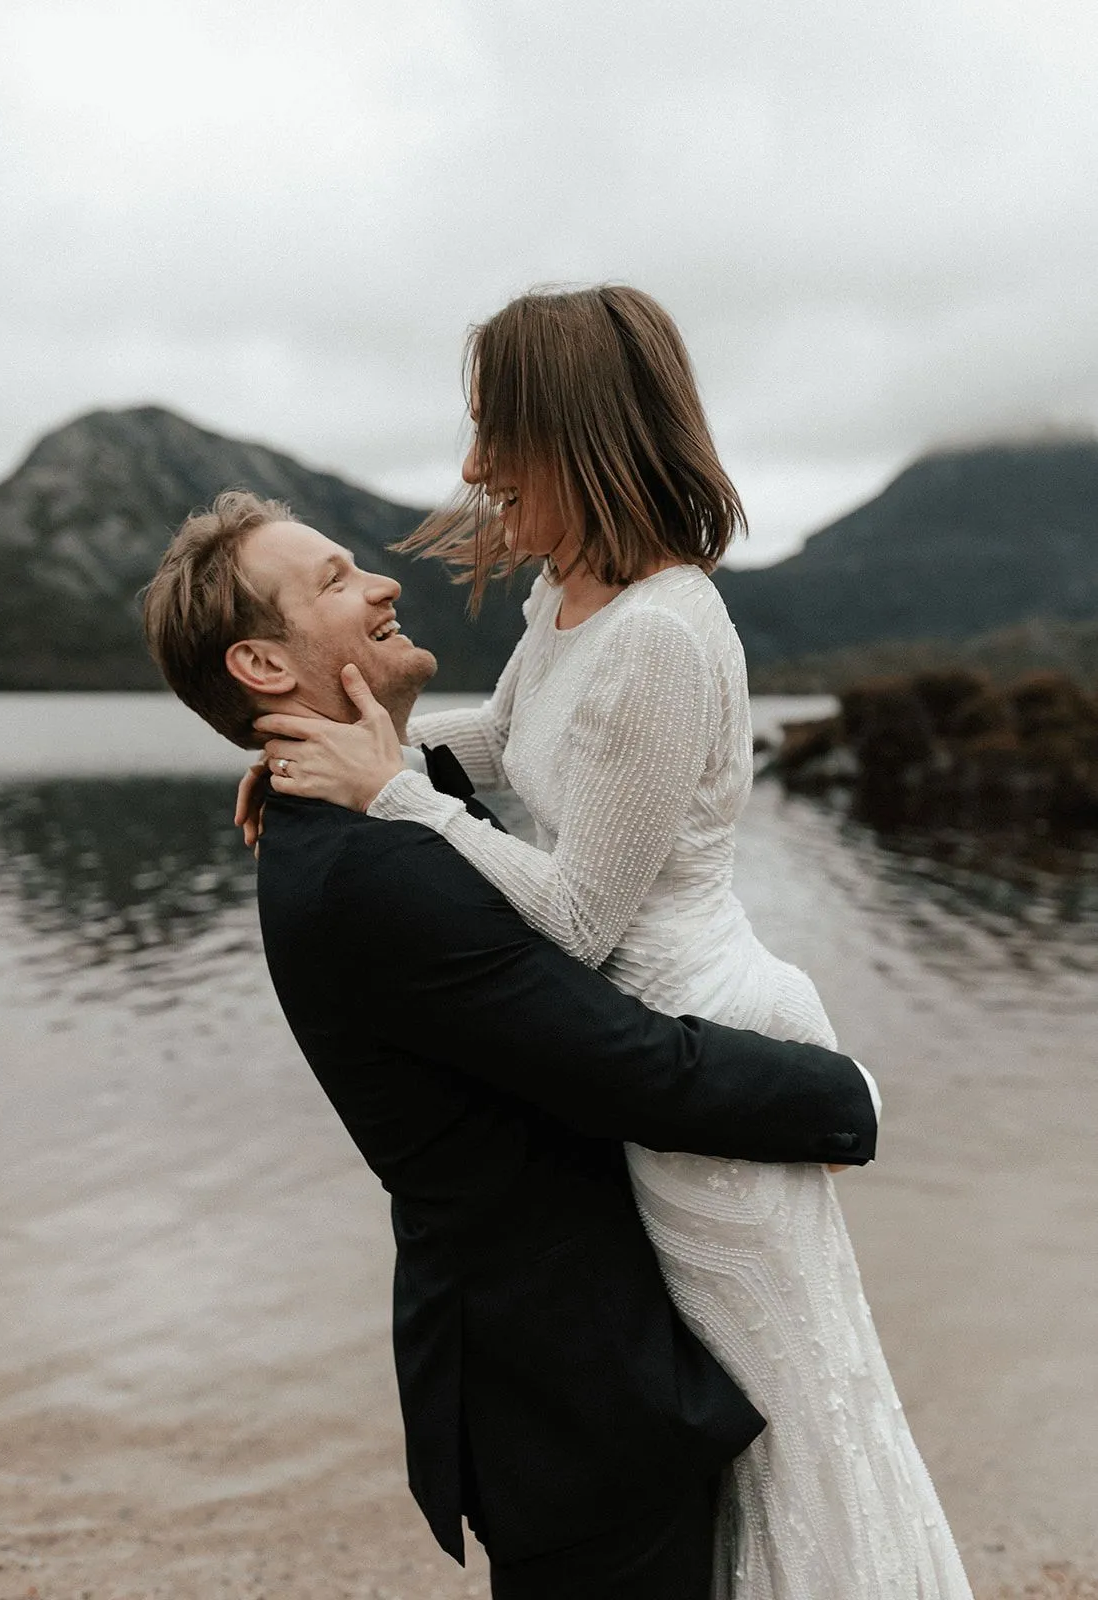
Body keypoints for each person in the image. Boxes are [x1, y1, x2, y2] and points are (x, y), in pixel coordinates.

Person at [246, 286, 974, 1598]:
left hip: (696, 1028)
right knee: (724, 1436)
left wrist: (397, 799)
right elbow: (508, 742)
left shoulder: (658, 631)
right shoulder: (567, 599)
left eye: (495, 432)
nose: (472, 468)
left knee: (789, 1424)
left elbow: (579, 915)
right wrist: (341, 753)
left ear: (571, 432)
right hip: (634, 1041)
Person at [142, 490, 881, 1600]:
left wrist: (391, 765)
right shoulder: (372, 871)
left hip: (550, 1376)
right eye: (338, 580)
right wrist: (844, 1096)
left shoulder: (356, 824)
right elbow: (628, 1064)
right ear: (262, 665)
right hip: (571, 1393)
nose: (385, 581)